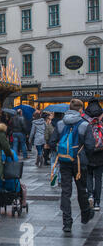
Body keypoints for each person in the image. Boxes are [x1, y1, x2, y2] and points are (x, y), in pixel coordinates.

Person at [49, 99, 95, 233]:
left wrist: (61, 150)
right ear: (80, 109)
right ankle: (85, 214)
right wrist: (85, 156)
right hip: (80, 162)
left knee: (66, 192)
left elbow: (52, 142)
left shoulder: (60, 124)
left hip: (64, 162)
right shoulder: (85, 125)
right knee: (82, 189)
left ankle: (67, 222)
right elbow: (90, 145)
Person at [83, 97, 103, 211]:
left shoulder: (85, 117)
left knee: (89, 175)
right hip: (101, 152)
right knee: (99, 178)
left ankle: (90, 194)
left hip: (88, 151)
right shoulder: (102, 115)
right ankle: (97, 203)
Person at [45, 114, 60, 186]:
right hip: (60, 146)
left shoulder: (49, 125)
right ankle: (60, 179)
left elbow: (46, 136)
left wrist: (48, 143)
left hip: (53, 145)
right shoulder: (63, 124)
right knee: (60, 163)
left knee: (53, 162)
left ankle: (52, 177)